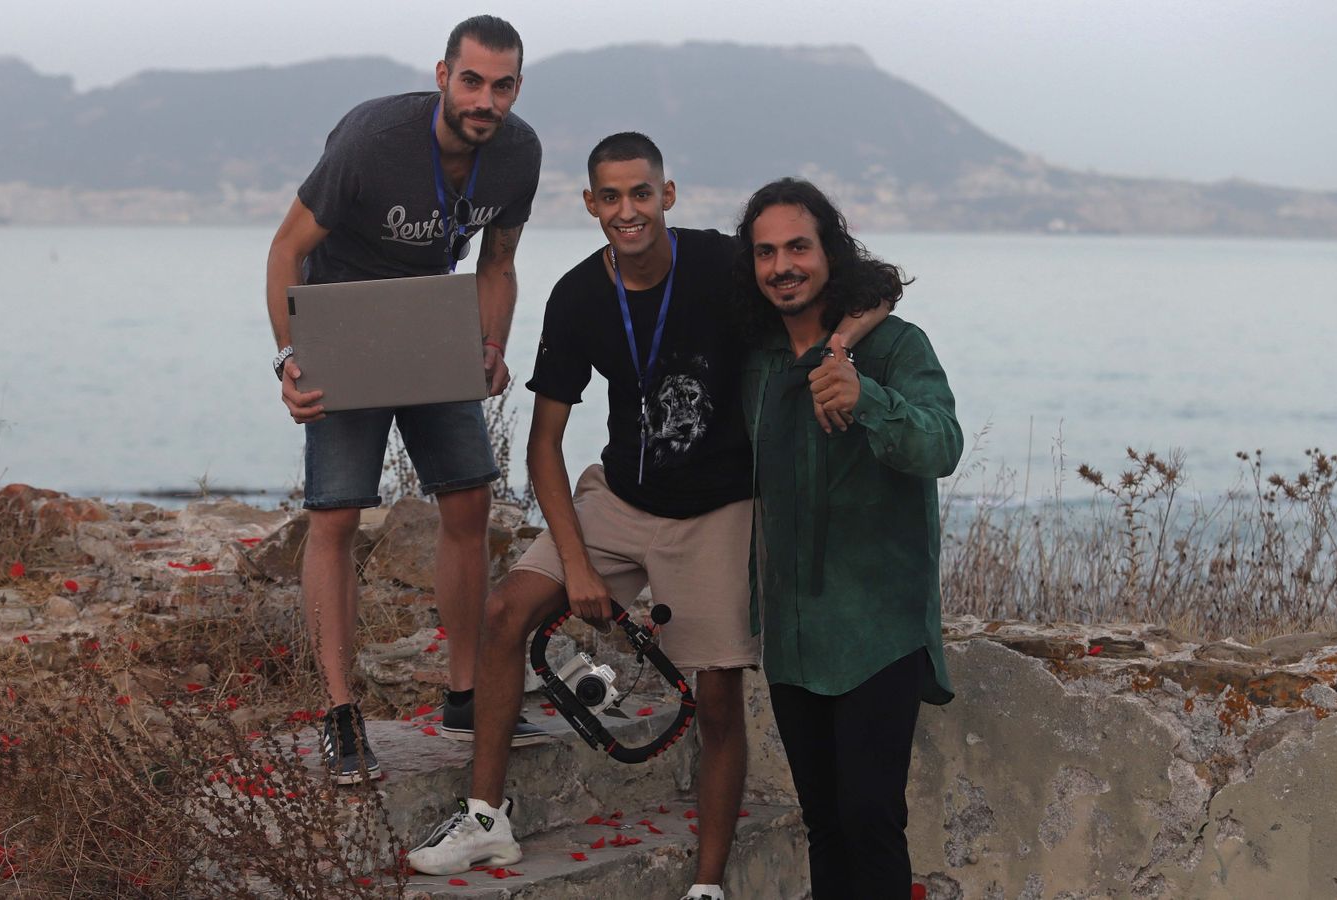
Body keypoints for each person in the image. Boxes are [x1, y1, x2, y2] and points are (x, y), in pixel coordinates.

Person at [407, 135, 883, 900]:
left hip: (720, 510)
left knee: (719, 696)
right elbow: (543, 448)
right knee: (503, 613)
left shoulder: (727, 264)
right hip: (620, 500)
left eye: (641, 193)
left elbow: (875, 286)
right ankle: (486, 815)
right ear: (591, 205)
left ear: (668, 194)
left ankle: (707, 885)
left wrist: (843, 351)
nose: (627, 211)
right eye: (610, 197)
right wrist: (580, 563)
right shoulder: (577, 295)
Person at [264, 15, 547, 785]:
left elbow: (499, 263)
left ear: (517, 87)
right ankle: (340, 714)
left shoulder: (518, 153)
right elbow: (287, 247)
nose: (485, 99)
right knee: (336, 515)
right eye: (472, 80)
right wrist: (291, 356)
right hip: (345, 318)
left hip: (431, 319)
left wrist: (492, 345)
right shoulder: (372, 139)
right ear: (442, 75)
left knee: (468, 503)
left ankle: (465, 695)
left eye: (502, 85)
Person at [733, 177, 961, 898]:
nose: (783, 266)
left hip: (879, 628)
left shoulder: (895, 347)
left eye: (798, 246)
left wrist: (869, 398)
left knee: (869, 818)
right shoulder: (758, 362)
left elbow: (943, 445)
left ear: (828, 250)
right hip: (793, 637)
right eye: (765, 252)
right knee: (823, 823)